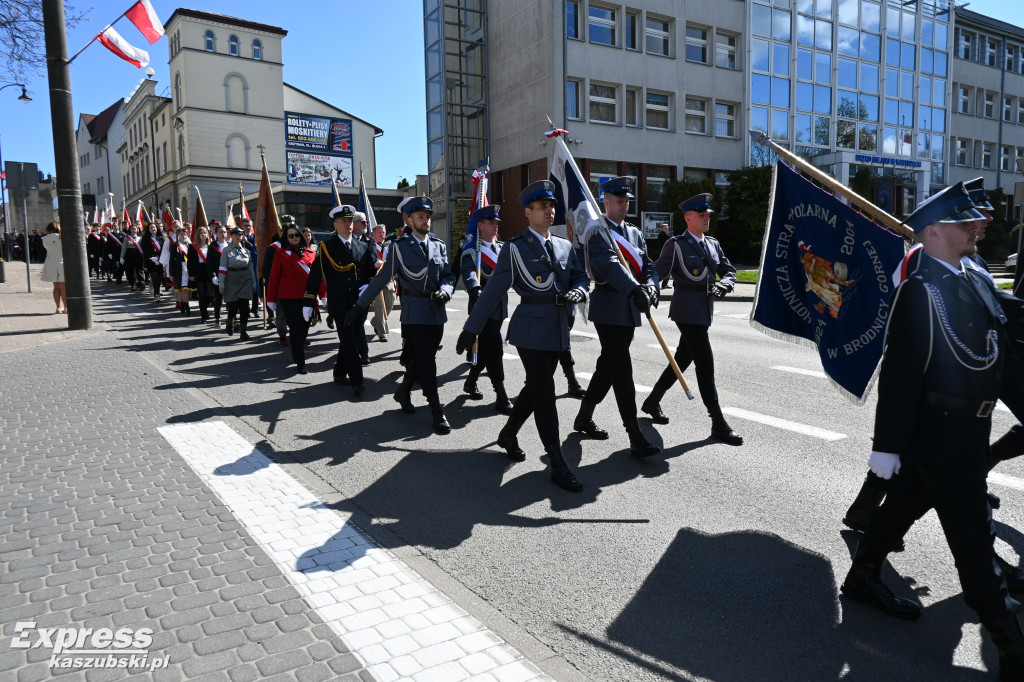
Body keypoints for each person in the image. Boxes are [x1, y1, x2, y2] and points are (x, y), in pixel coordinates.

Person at [839, 182, 1024, 679]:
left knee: (903, 504)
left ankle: (862, 577)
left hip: (970, 428)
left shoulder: (973, 275)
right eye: (968, 222)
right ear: (937, 232)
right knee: (974, 541)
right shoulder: (919, 291)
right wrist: (886, 449)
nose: (981, 225)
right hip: (941, 433)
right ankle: (1012, 645)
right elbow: (900, 377)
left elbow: (1007, 323)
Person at [456, 180, 590, 492]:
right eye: (543, 206)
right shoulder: (515, 248)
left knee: (534, 388)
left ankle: (508, 433)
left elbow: (580, 276)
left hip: (559, 329)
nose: (550, 210)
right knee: (545, 393)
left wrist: (579, 289)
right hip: (530, 330)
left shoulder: (564, 246)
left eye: (551, 206)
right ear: (528, 213)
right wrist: (471, 328)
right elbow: (491, 293)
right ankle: (556, 461)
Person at [347, 197, 456, 432]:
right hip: (415, 313)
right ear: (408, 219)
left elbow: (448, 275)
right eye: (420, 217)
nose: (426, 221)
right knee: (427, 362)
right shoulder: (399, 247)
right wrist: (359, 306)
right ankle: (436, 409)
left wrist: (446, 291)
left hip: (437, 312)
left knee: (423, 358)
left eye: (427, 217)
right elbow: (381, 279)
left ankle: (403, 392)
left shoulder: (439, 245)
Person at [642, 193, 742, 446]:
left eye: (708, 214)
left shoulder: (713, 244)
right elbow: (656, 271)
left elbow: (729, 271)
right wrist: (650, 288)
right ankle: (718, 422)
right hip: (686, 310)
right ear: (688, 218)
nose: (707, 218)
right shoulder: (675, 245)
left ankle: (652, 400)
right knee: (705, 364)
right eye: (702, 215)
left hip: (704, 309)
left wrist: (726, 284)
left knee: (683, 359)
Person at [573, 176, 660, 458]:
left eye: (627, 201)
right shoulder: (598, 233)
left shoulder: (633, 233)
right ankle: (635, 434)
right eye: (619, 201)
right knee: (622, 369)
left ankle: (584, 417)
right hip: (609, 307)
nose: (624, 205)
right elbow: (609, 266)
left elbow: (648, 265)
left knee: (607, 367)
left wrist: (651, 286)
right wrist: (635, 289)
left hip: (630, 308)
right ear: (605, 202)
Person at [304, 205, 378, 395]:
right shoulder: (326, 247)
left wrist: (369, 285)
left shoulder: (362, 245)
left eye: (350, 220)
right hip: (339, 303)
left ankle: (338, 372)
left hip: (359, 302)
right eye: (343, 221)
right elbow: (315, 274)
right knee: (349, 341)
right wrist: (309, 300)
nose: (348, 224)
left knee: (350, 340)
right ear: (335, 224)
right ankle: (357, 382)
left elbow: (371, 271)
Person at [460, 204, 513, 414]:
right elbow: (468, 271)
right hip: (482, 309)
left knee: (483, 351)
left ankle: (470, 382)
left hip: (499, 308)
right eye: (491, 222)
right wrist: (475, 288)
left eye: (497, 222)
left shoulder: (502, 248)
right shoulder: (473, 249)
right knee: (495, 351)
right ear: (480, 225)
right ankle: (501, 395)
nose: (495, 225)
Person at [269, 227, 324, 374]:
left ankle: (297, 348)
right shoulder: (281, 254)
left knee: (305, 327)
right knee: (296, 326)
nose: (294, 238)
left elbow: (317, 277)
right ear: (286, 238)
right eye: (290, 236)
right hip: (288, 297)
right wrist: (270, 299)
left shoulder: (311, 253)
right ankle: (300, 362)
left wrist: (324, 295)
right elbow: (273, 278)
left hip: (308, 296)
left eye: (296, 235)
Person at [218, 226, 258, 340]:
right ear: (231, 235)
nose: (238, 236)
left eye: (240, 234)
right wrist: (221, 284)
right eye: (235, 234)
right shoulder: (226, 250)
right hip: (231, 280)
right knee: (233, 308)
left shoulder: (246, 251)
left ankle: (243, 331)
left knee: (245, 309)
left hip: (245, 281)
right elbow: (222, 268)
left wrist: (254, 284)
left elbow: (251, 269)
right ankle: (229, 322)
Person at [261, 216, 289, 346]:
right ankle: (282, 335)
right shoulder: (273, 248)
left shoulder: (296, 246)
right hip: (279, 285)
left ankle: (299, 335)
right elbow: (266, 268)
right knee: (281, 313)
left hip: (295, 286)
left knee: (296, 313)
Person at [369, 224, 395, 343]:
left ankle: (375, 321)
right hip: (376, 279)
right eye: (379, 232)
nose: (382, 234)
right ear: (374, 234)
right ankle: (382, 332)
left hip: (389, 278)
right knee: (379, 305)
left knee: (390, 303)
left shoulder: (390, 246)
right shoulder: (370, 246)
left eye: (383, 232)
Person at [189, 226, 216, 322]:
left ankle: (204, 309)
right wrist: (191, 274)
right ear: (198, 235)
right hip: (199, 271)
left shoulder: (211, 246)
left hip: (208, 271)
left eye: (205, 233)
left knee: (211, 294)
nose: (203, 235)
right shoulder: (193, 246)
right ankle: (203, 315)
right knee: (202, 294)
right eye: (201, 233)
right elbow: (190, 262)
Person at [40, 222, 66, 313]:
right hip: (61, 262)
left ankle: (58, 307)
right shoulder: (62, 237)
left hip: (50, 262)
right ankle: (66, 307)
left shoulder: (45, 238)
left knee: (56, 286)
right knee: (63, 286)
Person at [206, 223, 229, 324]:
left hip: (229, 275)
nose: (223, 234)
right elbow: (209, 263)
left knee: (231, 298)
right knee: (218, 298)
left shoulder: (229, 245)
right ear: (216, 234)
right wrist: (213, 276)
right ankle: (217, 318)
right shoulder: (213, 246)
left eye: (224, 232)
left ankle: (231, 317)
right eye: (221, 232)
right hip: (218, 275)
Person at [170, 225, 194, 316]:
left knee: (189, 290)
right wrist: (171, 274)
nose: (184, 236)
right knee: (184, 289)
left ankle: (183, 304)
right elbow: (171, 260)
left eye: (185, 234)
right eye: (181, 234)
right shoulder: (174, 246)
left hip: (190, 269)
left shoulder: (190, 246)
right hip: (180, 269)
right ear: (178, 235)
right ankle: (187, 309)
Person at [141, 221, 165, 299]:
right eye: (150, 228)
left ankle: (156, 291)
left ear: (157, 228)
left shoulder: (161, 238)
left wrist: (158, 257)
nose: (153, 229)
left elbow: (164, 250)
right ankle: (156, 294)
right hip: (151, 261)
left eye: (154, 227)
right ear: (148, 229)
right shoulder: (145, 239)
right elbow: (145, 250)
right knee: (154, 276)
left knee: (160, 277)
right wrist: (152, 257)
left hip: (161, 260)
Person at [656, 223, 672, 288]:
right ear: (662, 229)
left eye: (667, 228)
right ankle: (661, 283)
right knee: (667, 269)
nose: (667, 229)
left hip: (664, 255)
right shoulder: (663, 236)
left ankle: (664, 284)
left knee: (666, 269)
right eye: (666, 228)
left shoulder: (664, 235)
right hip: (665, 255)